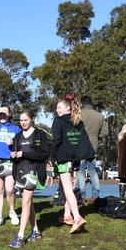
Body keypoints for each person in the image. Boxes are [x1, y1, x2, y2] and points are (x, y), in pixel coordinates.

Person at [52, 94, 93, 234]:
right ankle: (67, 215)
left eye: (59, 107)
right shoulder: (77, 121)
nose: (57, 110)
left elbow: (56, 141)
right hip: (75, 158)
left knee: (68, 189)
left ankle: (77, 217)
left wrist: (52, 158)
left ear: (67, 107)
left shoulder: (58, 121)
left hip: (63, 158)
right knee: (65, 187)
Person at [8, 110, 50, 248]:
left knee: (25, 202)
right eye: (21, 120)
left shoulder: (40, 134)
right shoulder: (17, 136)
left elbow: (44, 155)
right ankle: (36, 231)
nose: (23, 122)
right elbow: (14, 154)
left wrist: (24, 154)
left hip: (33, 172)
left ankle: (20, 236)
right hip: (20, 172)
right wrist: (13, 154)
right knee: (29, 203)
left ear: (31, 120)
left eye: (25, 120)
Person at [76, 96, 108, 201]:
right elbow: (105, 132)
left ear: (82, 104)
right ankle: (96, 195)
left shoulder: (78, 115)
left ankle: (82, 193)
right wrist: (95, 137)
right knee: (93, 170)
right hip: (93, 145)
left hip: (80, 146)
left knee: (81, 170)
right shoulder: (99, 116)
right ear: (91, 103)